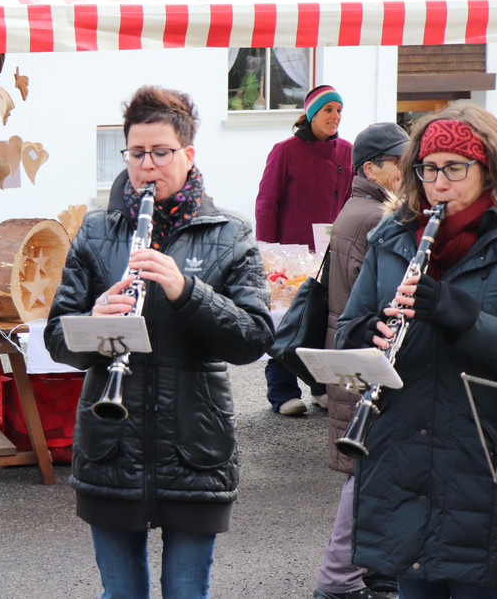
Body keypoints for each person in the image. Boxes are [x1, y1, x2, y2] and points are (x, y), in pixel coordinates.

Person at [337, 103, 497, 599]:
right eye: (427, 169)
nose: (437, 183)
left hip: (480, 457)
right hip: (400, 457)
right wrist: (367, 334)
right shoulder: (393, 237)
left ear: (488, 168)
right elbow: (346, 330)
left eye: (454, 168)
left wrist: (464, 318)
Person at [44, 85, 274, 599]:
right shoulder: (95, 231)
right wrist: (94, 319)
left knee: (187, 592)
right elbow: (59, 340)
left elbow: (254, 338)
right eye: (136, 153)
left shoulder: (231, 232)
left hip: (195, 449)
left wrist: (187, 291)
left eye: (161, 153)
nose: (146, 166)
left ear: (189, 154)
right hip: (111, 448)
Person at [314, 123, 408, 599]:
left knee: (370, 467)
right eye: (400, 162)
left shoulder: (355, 208)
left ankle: (370, 570)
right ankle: (341, 578)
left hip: (350, 349)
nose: (409, 170)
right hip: (366, 355)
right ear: (372, 169)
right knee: (368, 469)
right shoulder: (377, 217)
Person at [256, 85, 353, 416]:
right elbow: (266, 202)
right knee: (288, 320)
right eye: (328, 110)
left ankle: (320, 387)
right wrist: (268, 252)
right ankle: (282, 392)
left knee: (324, 318)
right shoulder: (285, 151)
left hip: (331, 252)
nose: (335, 116)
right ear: (311, 114)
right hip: (290, 253)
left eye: (339, 110)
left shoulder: (348, 151)